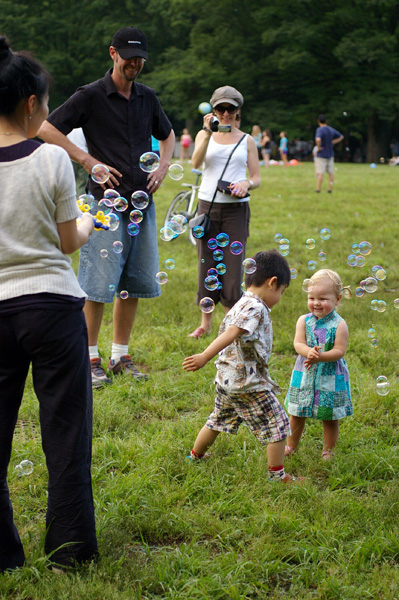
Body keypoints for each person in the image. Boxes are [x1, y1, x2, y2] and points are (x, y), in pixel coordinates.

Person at [0, 36, 97, 571]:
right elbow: (65, 241)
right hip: (53, 307)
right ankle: (69, 552)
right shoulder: (52, 161)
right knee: (64, 432)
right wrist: (87, 221)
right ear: (32, 103)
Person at [38, 27, 175, 388]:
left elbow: (168, 134)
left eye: (140, 58)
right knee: (98, 285)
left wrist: (163, 164)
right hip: (104, 205)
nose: (135, 63)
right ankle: (90, 358)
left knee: (132, 282)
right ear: (112, 53)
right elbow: (46, 127)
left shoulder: (147, 97)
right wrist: (86, 160)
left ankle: (120, 355)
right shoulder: (91, 96)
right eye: (129, 56)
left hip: (140, 205)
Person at [183, 251, 302, 483]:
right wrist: (205, 355)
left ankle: (195, 457)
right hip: (247, 383)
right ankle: (278, 476)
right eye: (282, 291)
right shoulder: (255, 307)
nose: (280, 296)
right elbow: (233, 332)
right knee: (277, 423)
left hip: (226, 380)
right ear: (272, 283)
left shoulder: (242, 301)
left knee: (217, 419)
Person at [189, 85, 260, 338]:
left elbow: (256, 176)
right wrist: (208, 133)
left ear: (238, 111)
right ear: (213, 110)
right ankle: (205, 324)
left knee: (232, 266)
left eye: (231, 109)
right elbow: (195, 163)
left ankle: (230, 326)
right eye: (221, 108)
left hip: (236, 210)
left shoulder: (247, 140)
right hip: (207, 208)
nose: (226, 113)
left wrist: (246, 183)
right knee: (207, 263)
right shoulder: (202, 135)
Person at [284, 269, 352, 460]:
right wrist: (308, 352)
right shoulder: (303, 321)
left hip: (329, 374)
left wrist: (320, 356)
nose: (316, 303)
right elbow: (298, 344)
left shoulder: (339, 324)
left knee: (329, 416)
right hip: (305, 373)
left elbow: (339, 351)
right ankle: (290, 446)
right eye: (312, 298)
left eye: (323, 298)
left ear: (337, 299)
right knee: (297, 412)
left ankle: (328, 450)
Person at [314, 114, 343, 193]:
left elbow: (318, 139)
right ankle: (330, 189)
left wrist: (318, 147)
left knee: (320, 173)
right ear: (326, 121)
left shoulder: (320, 130)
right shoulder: (331, 129)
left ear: (318, 121)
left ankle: (318, 189)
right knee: (331, 173)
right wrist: (333, 142)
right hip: (330, 154)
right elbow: (341, 137)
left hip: (321, 155)